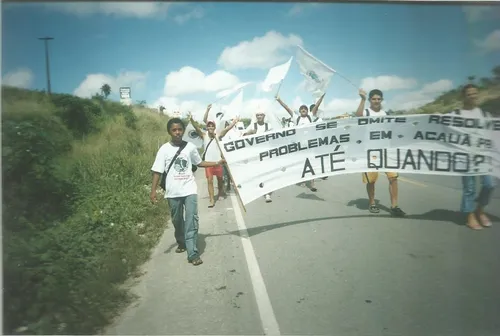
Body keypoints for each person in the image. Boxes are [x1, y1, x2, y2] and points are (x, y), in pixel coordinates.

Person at [150, 118, 225, 266]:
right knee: (177, 221)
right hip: (172, 192)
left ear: (183, 131)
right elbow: (157, 171)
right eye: (174, 130)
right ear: (169, 132)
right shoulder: (164, 149)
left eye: (180, 129)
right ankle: (181, 241)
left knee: (191, 221)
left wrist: (217, 162)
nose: (177, 132)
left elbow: (199, 163)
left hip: (189, 189)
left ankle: (193, 253)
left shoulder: (190, 147)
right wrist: (153, 191)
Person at [450, 83, 495, 230]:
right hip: (465, 157)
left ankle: (480, 210)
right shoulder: (456, 114)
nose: (473, 96)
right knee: (469, 188)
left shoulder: (484, 114)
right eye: (469, 94)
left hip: (483, 156)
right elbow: (442, 128)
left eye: (475, 93)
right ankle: (470, 215)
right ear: (463, 96)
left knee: (489, 184)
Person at [355, 88, 406, 217]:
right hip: (371, 152)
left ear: (382, 100)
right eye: (374, 99)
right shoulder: (366, 112)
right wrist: (362, 99)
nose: (376, 101)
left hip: (386, 151)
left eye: (379, 99)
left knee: (393, 178)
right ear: (370, 100)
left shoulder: (386, 114)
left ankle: (395, 206)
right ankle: (372, 203)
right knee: (371, 181)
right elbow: (358, 116)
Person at [275, 93, 327, 189]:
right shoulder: (296, 118)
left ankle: (312, 183)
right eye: (302, 109)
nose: (303, 110)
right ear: (299, 111)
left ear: (307, 111)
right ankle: (302, 180)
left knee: (311, 163)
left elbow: (316, 106)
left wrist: (322, 97)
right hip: (300, 146)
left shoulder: (310, 117)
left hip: (310, 145)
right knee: (302, 163)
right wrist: (279, 100)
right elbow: (287, 108)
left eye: (305, 109)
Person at [190, 108, 238, 208]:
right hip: (208, 163)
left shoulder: (218, 135)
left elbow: (227, 129)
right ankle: (212, 199)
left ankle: (221, 192)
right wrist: (191, 120)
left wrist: (234, 122)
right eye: (209, 126)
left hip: (218, 162)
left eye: (212, 126)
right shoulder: (204, 135)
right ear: (207, 127)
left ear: (214, 127)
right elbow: (197, 128)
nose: (210, 127)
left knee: (220, 180)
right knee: (210, 181)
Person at [243, 108, 275, 203]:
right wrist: (250, 133)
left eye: (261, 115)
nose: (259, 117)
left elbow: (274, 137)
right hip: (256, 154)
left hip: (266, 153)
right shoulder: (252, 126)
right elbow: (243, 135)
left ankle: (267, 193)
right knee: (259, 173)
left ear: (264, 116)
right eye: (258, 115)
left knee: (267, 172)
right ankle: (262, 189)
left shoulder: (268, 126)